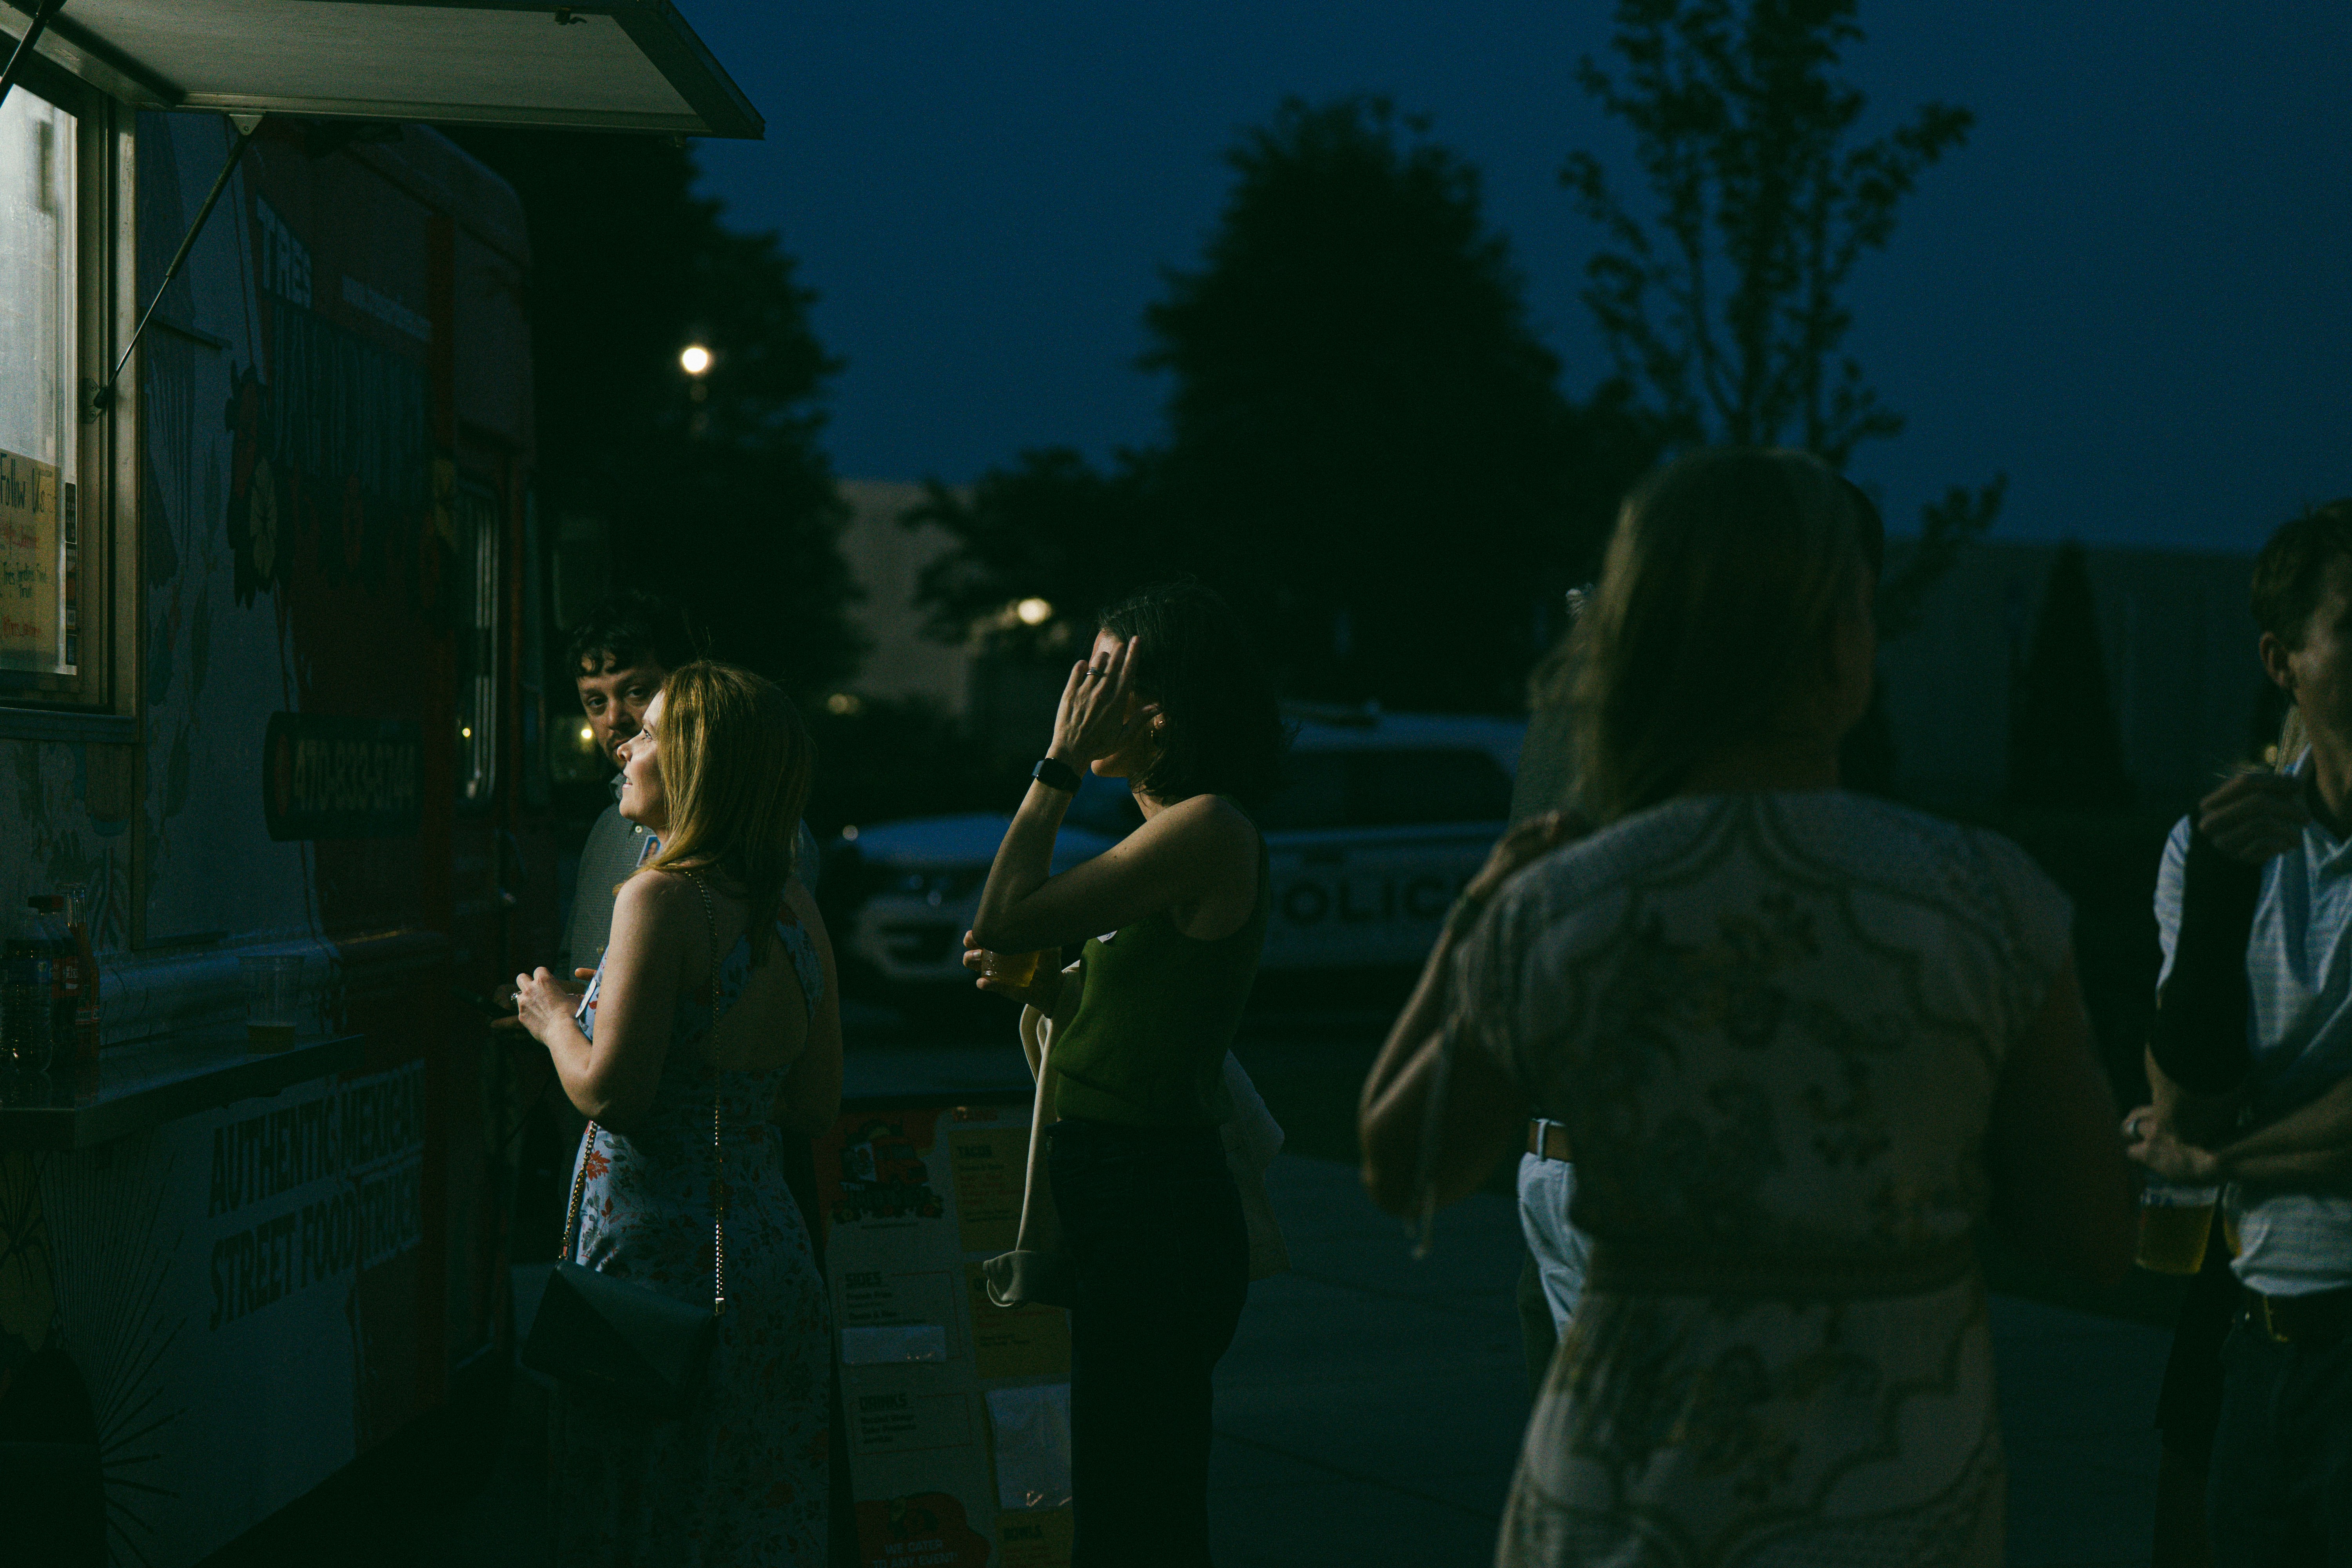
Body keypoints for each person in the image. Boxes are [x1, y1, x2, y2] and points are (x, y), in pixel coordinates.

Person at [1359, 446, 2136, 1565]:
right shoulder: (1984, 901)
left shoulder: (1567, 897)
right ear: (1838, 646)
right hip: (1886, 1498)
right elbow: (2093, 1236)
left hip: (1628, 1507)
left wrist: (1472, 923)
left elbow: (1405, 1166)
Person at [960, 580, 1286, 1568]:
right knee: (1120, 1488)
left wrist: (1055, 763)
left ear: (1164, 706)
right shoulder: (1160, 836)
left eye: (1104, 675)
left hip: (1158, 1201)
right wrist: (1055, 995)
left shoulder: (1207, 827)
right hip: (1119, 1189)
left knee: (1138, 1505)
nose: (1079, 693)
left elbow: (1004, 913)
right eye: (1083, 672)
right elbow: (1140, 1017)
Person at [514, 661, 843, 1564]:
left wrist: (552, 1020)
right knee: (749, 1520)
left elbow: (613, 1093)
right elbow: (814, 1103)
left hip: (651, 1276)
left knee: (641, 1518)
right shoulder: (793, 905)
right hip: (773, 1264)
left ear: (699, 763)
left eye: (650, 731)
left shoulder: (657, 896)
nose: (624, 745)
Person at [2126, 500, 2352, 1566]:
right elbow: (2189, 1101)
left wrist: (2221, 1160)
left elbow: (2208, 1135)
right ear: (2284, 660)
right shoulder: (2219, 848)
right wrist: (2218, 904)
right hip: (2265, 1335)